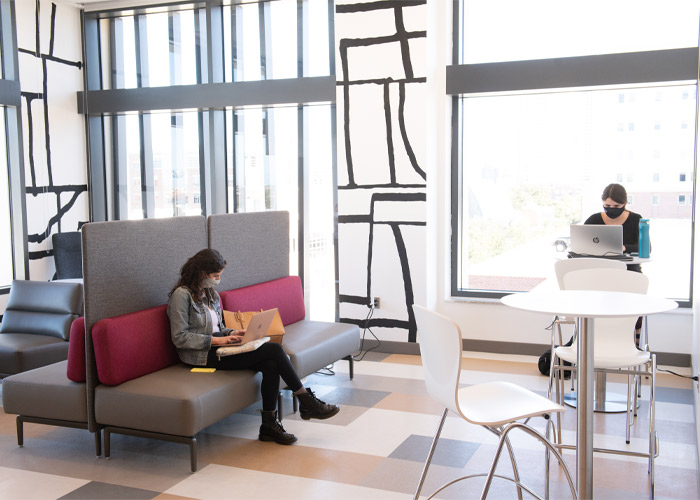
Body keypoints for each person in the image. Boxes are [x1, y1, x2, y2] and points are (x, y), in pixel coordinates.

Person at [167, 248, 339, 446]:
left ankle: (269, 426)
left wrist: (232, 334)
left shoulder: (210, 294)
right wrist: (218, 341)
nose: (218, 280)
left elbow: (219, 327)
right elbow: (180, 338)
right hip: (202, 355)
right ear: (202, 273)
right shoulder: (182, 295)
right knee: (274, 350)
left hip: (220, 347)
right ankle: (305, 400)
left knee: (271, 365)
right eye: (216, 276)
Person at [584, 182, 646, 338]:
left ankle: (633, 341)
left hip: (629, 272)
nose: (611, 209)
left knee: (633, 306)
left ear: (625, 203)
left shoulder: (636, 219)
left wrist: (624, 247)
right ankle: (591, 340)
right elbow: (582, 243)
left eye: (616, 206)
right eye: (607, 205)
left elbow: (645, 248)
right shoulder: (594, 219)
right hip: (601, 273)